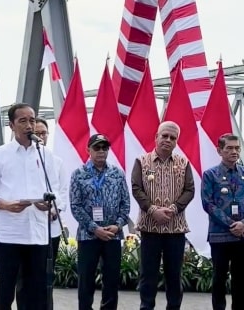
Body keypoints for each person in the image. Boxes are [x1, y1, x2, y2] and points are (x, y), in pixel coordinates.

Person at [0, 103, 61, 310]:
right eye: (23, 121)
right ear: (11, 125)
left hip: (38, 234)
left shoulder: (46, 155)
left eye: (32, 120)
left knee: (36, 291)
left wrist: (51, 207)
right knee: (6, 289)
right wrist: (5, 204)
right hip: (10, 234)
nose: (29, 125)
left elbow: (57, 191)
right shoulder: (0, 154)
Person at [131, 121, 195, 310]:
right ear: (156, 137)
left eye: (172, 138)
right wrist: (153, 211)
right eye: (164, 136)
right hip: (149, 228)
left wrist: (174, 209)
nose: (168, 140)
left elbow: (189, 190)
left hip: (175, 229)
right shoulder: (141, 161)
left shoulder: (184, 163)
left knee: (174, 275)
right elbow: (136, 188)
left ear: (176, 142)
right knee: (148, 275)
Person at [70, 133, 130, 310]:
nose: (101, 151)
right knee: (86, 279)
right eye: (97, 147)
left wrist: (118, 224)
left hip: (113, 235)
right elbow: (76, 205)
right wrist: (95, 228)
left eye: (105, 148)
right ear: (88, 150)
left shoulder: (117, 174)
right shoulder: (78, 174)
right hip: (88, 236)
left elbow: (125, 204)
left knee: (111, 280)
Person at [15, 117, 68, 309]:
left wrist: (54, 209)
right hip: (25, 229)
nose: (40, 137)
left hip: (49, 229)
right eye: (36, 133)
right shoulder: (20, 161)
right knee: (25, 277)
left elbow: (62, 192)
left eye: (43, 133)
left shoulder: (56, 161)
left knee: (45, 278)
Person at [201, 133, 244, 310]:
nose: (234, 152)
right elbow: (208, 204)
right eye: (229, 148)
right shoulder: (210, 174)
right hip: (220, 235)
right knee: (219, 277)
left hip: (242, 234)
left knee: (240, 278)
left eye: (237, 148)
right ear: (220, 150)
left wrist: (242, 224)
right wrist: (231, 224)